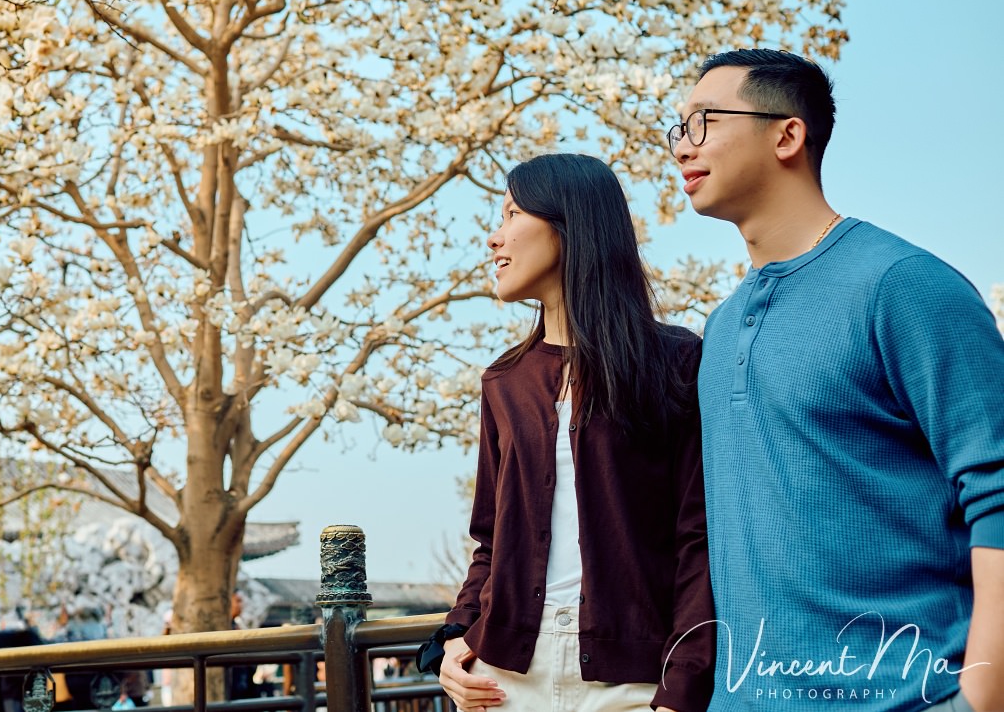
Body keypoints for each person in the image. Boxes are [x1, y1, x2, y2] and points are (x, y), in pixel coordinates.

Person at [669, 48, 1004, 711]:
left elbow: (996, 491)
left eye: (705, 120)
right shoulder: (722, 326)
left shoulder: (903, 286)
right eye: (678, 126)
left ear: (787, 135)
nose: (683, 144)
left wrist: (981, 697)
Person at [423, 153, 715, 712]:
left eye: (512, 214)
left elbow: (698, 537)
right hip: (502, 681)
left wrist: (682, 687)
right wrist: (455, 637)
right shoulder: (504, 382)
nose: (494, 237)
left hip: (632, 681)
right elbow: (490, 540)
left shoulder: (676, 361)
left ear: (569, 225)